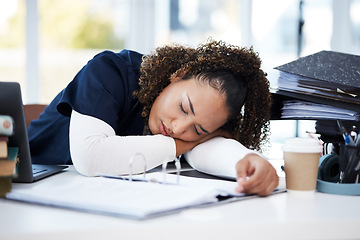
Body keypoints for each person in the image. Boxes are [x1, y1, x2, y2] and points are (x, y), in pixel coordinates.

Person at [28, 40, 279, 196]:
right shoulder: (109, 70)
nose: (178, 127)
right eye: (183, 107)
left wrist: (251, 161)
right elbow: (90, 156)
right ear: (180, 74)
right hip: (27, 178)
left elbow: (208, 152)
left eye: (200, 130)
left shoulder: (188, 128)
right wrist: (185, 143)